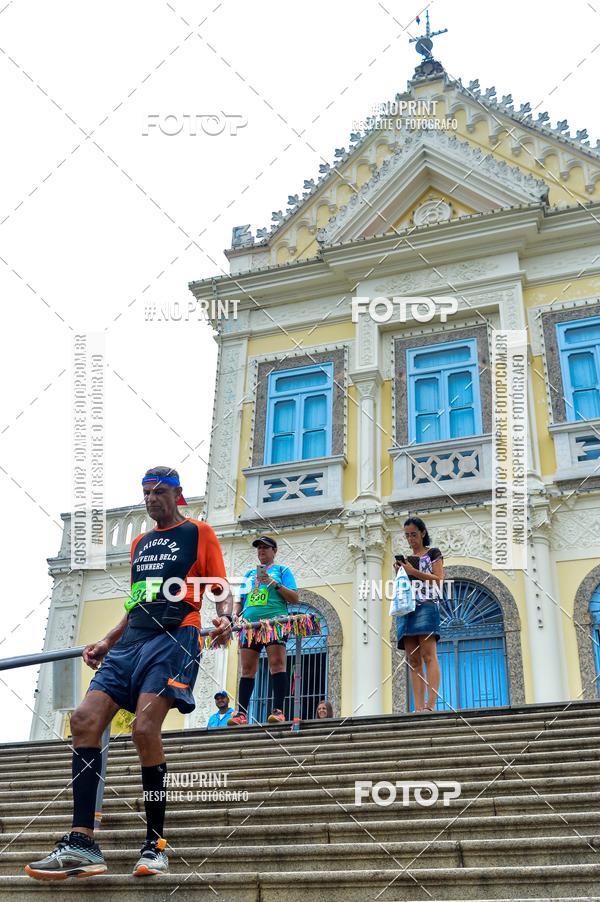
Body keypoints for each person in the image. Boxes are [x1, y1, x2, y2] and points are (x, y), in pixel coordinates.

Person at [25, 466, 233, 881]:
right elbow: (137, 600)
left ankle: (155, 845)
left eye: (158, 492)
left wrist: (226, 617)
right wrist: (107, 640)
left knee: (144, 728)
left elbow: (221, 588)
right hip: (131, 642)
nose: (150, 499)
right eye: (145, 493)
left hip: (175, 636)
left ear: (178, 495)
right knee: (84, 719)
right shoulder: (140, 543)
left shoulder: (199, 532)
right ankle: (82, 843)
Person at [228, 536, 299, 726]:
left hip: (274, 622)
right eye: (258, 548)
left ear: (274, 551)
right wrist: (235, 614)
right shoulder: (249, 574)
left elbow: (294, 598)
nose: (261, 551)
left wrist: (273, 583)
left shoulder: (282, 570)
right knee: (247, 668)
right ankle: (241, 713)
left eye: (265, 548)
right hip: (250, 625)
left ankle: (278, 710)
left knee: (277, 663)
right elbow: (240, 599)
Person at [394, 516, 444, 713]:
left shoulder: (433, 553)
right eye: (407, 535)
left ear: (423, 533)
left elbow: (438, 580)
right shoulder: (407, 560)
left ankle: (430, 705)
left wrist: (413, 571)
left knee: (428, 655)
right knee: (413, 660)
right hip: (406, 608)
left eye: (413, 534)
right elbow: (404, 585)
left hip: (426, 605)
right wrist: (400, 572)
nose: (410, 539)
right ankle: (419, 707)